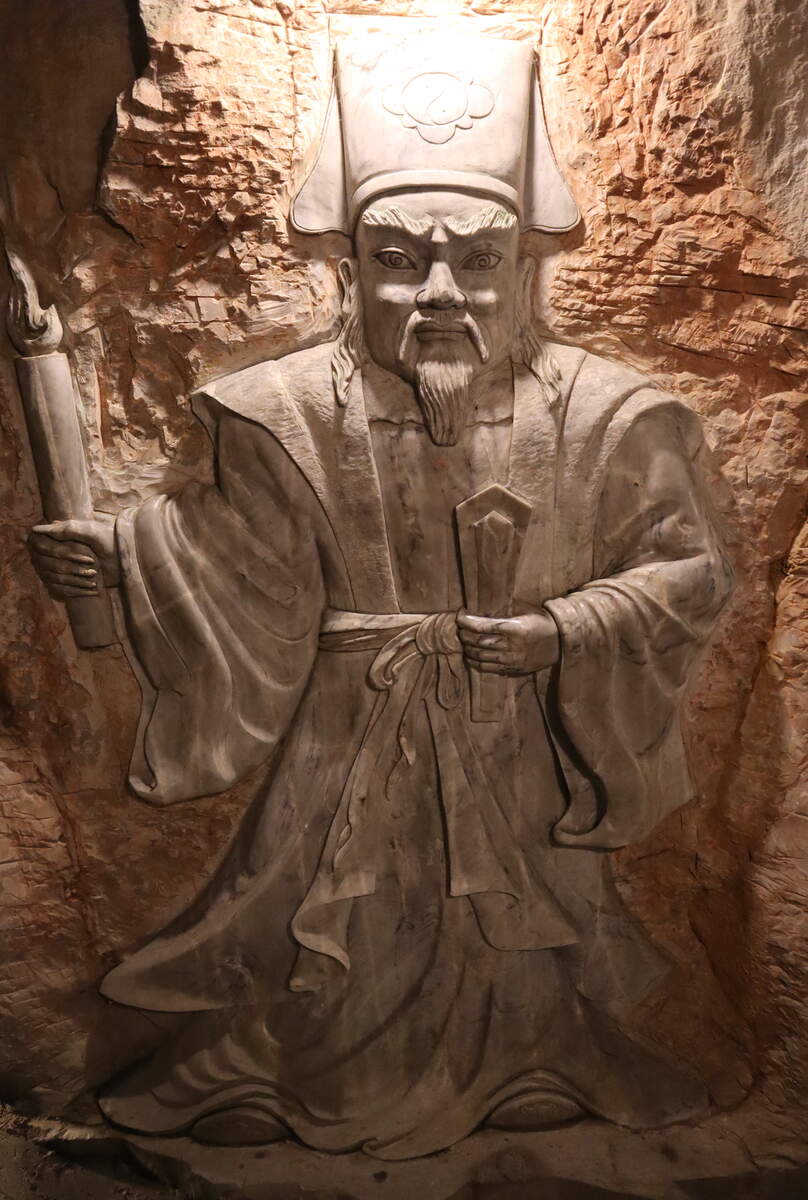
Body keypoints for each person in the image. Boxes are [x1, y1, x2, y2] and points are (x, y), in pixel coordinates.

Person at [27, 35, 733, 1161]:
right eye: (399, 259)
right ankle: (291, 1065)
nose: (440, 292)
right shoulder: (283, 410)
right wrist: (123, 558)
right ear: (348, 266)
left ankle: (528, 1058)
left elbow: (690, 571)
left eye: (480, 262)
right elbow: (239, 565)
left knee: (519, 932)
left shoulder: (610, 414)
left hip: (517, 726)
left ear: (527, 269)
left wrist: (562, 630)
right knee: (327, 909)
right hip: (347, 725)